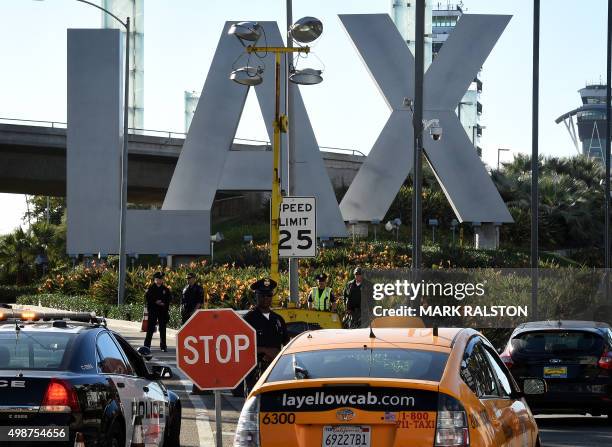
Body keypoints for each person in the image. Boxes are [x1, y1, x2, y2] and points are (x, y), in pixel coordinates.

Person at [242, 278, 289, 392]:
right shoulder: (248, 319)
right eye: (262, 295)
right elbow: (241, 348)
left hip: (275, 372)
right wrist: (265, 350)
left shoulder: (278, 319)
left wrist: (278, 355)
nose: (266, 298)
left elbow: (287, 344)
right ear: (256, 296)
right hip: (255, 374)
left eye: (268, 295)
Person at [144, 271, 171, 352]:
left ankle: (163, 346)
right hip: (153, 310)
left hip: (162, 311)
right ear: (155, 279)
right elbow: (147, 298)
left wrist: (163, 303)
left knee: (162, 329)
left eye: (161, 279)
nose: (160, 280)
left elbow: (169, 299)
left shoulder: (165, 289)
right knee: (150, 328)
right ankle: (147, 346)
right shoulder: (151, 288)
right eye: (158, 279)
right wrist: (155, 301)